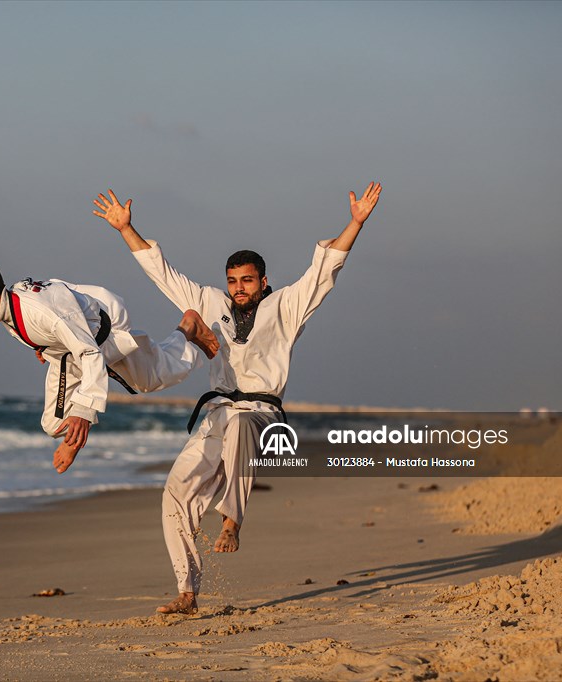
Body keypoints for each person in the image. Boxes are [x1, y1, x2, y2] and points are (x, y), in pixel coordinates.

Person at [93, 183, 382, 614]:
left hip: (262, 414)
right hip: (217, 412)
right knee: (175, 493)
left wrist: (356, 222)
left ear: (263, 281)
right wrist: (126, 229)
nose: (239, 287)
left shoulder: (286, 305)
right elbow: (163, 273)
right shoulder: (211, 302)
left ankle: (232, 522)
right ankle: (188, 593)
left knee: (242, 425)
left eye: (247, 280)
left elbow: (325, 271)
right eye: (233, 280)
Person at [0, 257, 220, 473]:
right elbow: (57, 299)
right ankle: (188, 328)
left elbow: (87, 352)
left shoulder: (38, 311)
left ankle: (79, 429)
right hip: (77, 343)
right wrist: (44, 346)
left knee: (57, 423)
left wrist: (84, 413)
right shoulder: (8, 305)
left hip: (99, 339)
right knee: (149, 380)